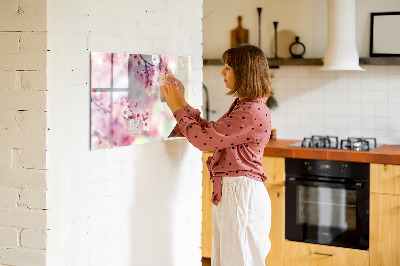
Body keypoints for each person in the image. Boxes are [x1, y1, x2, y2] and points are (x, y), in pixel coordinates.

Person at [161, 44, 273, 266]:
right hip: (236, 193)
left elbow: (204, 141)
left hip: (241, 195)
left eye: (228, 67)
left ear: (244, 72)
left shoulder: (250, 111)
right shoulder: (246, 106)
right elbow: (212, 133)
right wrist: (182, 103)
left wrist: (176, 108)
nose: (222, 72)